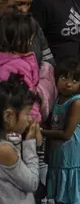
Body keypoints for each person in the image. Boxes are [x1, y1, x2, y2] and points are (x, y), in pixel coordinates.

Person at [43, 58, 80, 204]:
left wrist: (40, 131)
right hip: (60, 159)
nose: (68, 83)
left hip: (74, 161)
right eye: (64, 78)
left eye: (74, 80)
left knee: (75, 199)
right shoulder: (57, 100)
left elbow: (66, 134)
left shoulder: (77, 102)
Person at [0, 74, 40, 204]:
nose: (29, 119)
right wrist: (29, 143)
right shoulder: (5, 150)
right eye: (27, 113)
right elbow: (32, 183)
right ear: (8, 116)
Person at [0, 0, 54, 67]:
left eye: (28, 4)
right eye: (19, 4)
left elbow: (48, 62)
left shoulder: (33, 25)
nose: (24, 10)